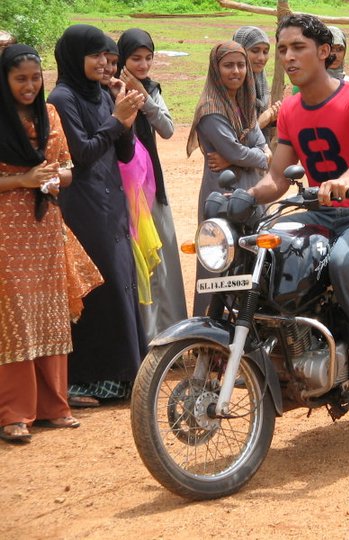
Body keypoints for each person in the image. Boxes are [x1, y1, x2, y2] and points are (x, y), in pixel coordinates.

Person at [246, 14, 349, 405]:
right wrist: (245, 196)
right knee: (261, 247)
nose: (288, 57)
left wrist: (348, 178)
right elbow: (277, 180)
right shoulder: (289, 110)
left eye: (298, 47)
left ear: (324, 52)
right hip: (319, 214)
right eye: (282, 49)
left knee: (347, 262)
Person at [0, 44, 101, 442]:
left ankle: (53, 406)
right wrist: (23, 181)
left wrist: (53, 177)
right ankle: (13, 413)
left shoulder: (50, 114)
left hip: (44, 228)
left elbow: (69, 172)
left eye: (35, 78)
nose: (29, 86)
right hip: (7, 233)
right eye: (20, 79)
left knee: (50, 311)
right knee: (15, 315)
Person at [48, 24, 147, 407]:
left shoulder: (103, 94)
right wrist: (116, 119)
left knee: (121, 284)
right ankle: (86, 381)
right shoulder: (62, 97)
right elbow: (81, 154)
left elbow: (122, 154)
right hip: (84, 206)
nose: (104, 63)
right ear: (75, 57)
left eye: (106, 57)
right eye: (95, 56)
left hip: (111, 202)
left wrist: (126, 115)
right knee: (98, 290)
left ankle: (123, 377)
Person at [187, 41, 269, 317]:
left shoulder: (243, 101)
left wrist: (244, 155)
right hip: (221, 194)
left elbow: (253, 145)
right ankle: (210, 335)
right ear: (215, 69)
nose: (236, 71)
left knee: (250, 260)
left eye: (240, 64)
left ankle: (245, 332)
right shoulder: (211, 109)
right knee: (219, 259)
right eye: (228, 65)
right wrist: (257, 156)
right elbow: (239, 151)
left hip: (250, 190)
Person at [117, 28, 188, 341]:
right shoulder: (111, 89)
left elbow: (168, 129)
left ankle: (170, 332)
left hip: (151, 184)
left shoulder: (152, 89)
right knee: (138, 261)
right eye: (136, 58)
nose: (143, 65)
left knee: (163, 255)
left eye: (148, 58)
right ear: (122, 58)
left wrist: (145, 100)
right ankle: (144, 337)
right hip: (124, 186)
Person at [232, 26, 282, 138]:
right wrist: (262, 120)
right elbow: (233, 141)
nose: (261, 58)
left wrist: (273, 116)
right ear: (240, 51)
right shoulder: (231, 88)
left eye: (265, 51)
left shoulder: (259, 81)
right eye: (255, 50)